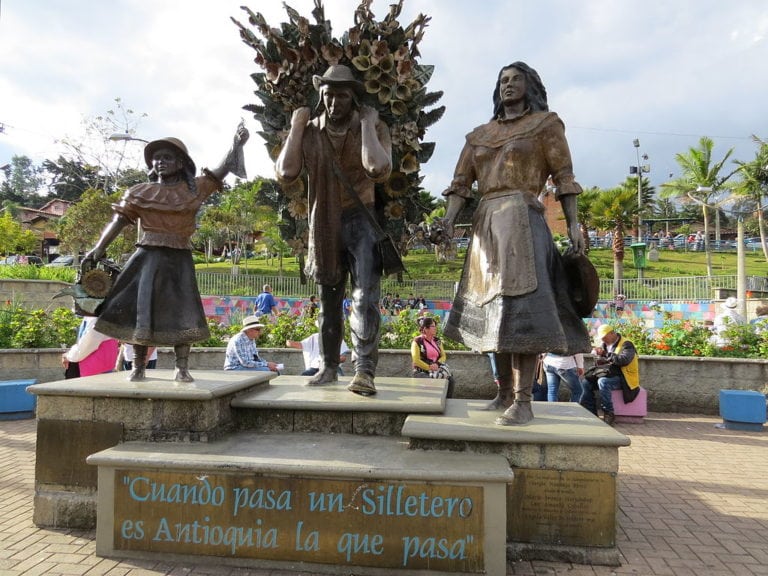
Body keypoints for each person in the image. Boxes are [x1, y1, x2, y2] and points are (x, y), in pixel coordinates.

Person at [441, 61, 591, 425]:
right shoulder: (478, 135)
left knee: (522, 310)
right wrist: (446, 222)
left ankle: (523, 401)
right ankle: (504, 392)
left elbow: (564, 177)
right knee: (495, 312)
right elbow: (460, 185)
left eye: (516, 79)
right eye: (503, 80)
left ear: (530, 85)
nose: (508, 85)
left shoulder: (545, 125)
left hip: (524, 221)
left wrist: (573, 224)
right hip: (485, 226)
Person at [80, 124, 249, 383]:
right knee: (142, 313)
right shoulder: (140, 192)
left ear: (181, 163)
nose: (161, 162)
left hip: (179, 259)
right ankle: (138, 367)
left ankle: (182, 367)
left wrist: (236, 144)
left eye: (167, 157)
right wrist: (98, 247)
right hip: (147, 259)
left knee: (184, 313)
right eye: (156, 158)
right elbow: (119, 220)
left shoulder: (194, 189)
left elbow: (221, 170)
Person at [275, 64, 392, 396]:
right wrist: (298, 125)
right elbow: (286, 173)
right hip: (323, 222)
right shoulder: (310, 130)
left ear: (353, 98)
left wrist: (368, 123)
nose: (334, 103)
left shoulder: (375, 127)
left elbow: (378, 168)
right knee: (329, 300)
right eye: (327, 95)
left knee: (365, 296)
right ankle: (328, 365)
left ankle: (364, 370)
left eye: (342, 96)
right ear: (320, 96)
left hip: (362, 220)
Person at [579, 324, 639, 426]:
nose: (603, 340)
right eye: (602, 338)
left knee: (603, 382)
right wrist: (599, 358)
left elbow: (624, 360)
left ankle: (609, 413)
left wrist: (605, 355)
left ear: (612, 333)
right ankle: (592, 412)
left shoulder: (627, 344)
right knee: (585, 382)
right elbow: (605, 362)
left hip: (624, 378)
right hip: (609, 374)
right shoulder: (604, 345)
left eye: (605, 338)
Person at [411, 316, 454, 397]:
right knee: (430, 381)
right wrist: (429, 367)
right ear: (425, 329)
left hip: (436, 369)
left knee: (450, 380)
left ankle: (447, 401)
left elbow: (443, 356)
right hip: (422, 371)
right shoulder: (417, 341)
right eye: (433, 326)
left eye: (435, 326)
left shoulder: (437, 341)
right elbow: (416, 360)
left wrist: (437, 364)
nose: (435, 328)